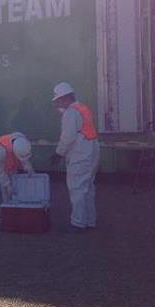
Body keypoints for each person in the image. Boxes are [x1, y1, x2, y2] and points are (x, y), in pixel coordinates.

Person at [49, 82, 100, 232]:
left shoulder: (70, 113)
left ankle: (78, 223)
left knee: (77, 188)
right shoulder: (83, 108)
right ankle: (90, 220)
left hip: (80, 153)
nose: (57, 103)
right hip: (92, 151)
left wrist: (58, 153)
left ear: (65, 98)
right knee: (88, 188)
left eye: (58, 100)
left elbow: (68, 137)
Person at [0, 132, 34, 231]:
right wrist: (7, 184)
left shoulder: (21, 141)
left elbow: (23, 155)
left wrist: (28, 166)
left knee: (9, 192)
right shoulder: (1, 150)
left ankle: (9, 216)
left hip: (6, 161)